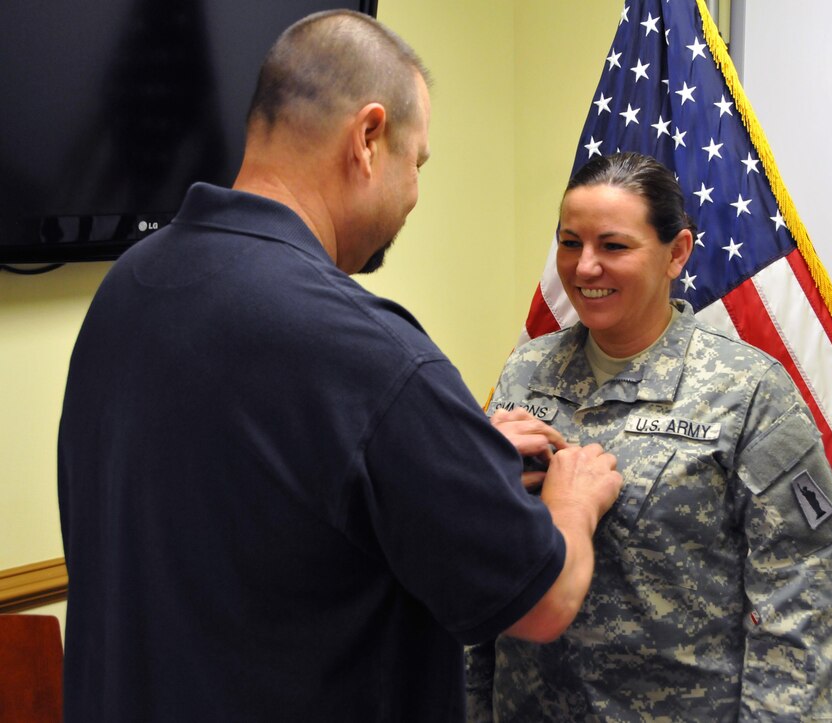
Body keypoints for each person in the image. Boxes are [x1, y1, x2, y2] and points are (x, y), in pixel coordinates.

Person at [57, 11, 621, 722]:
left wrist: (447, 457)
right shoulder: (367, 353)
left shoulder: (130, 288)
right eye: (416, 163)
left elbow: (263, 487)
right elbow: (544, 600)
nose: (414, 194)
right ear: (368, 138)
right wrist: (574, 499)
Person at [468, 151, 832, 721]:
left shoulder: (749, 393)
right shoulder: (527, 371)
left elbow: (800, 606)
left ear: (677, 253)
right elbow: (481, 567)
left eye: (613, 246)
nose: (584, 267)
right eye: (570, 242)